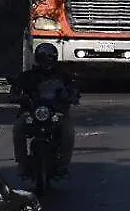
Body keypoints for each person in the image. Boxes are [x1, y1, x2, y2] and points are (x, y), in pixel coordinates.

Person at [11, 43, 79, 177]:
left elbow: (73, 89)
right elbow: (15, 89)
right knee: (18, 129)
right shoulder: (28, 76)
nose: (46, 62)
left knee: (68, 132)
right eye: (43, 58)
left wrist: (72, 96)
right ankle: (22, 163)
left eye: (49, 58)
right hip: (32, 112)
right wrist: (18, 97)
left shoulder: (62, 75)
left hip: (56, 113)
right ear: (37, 59)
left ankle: (63, 165)